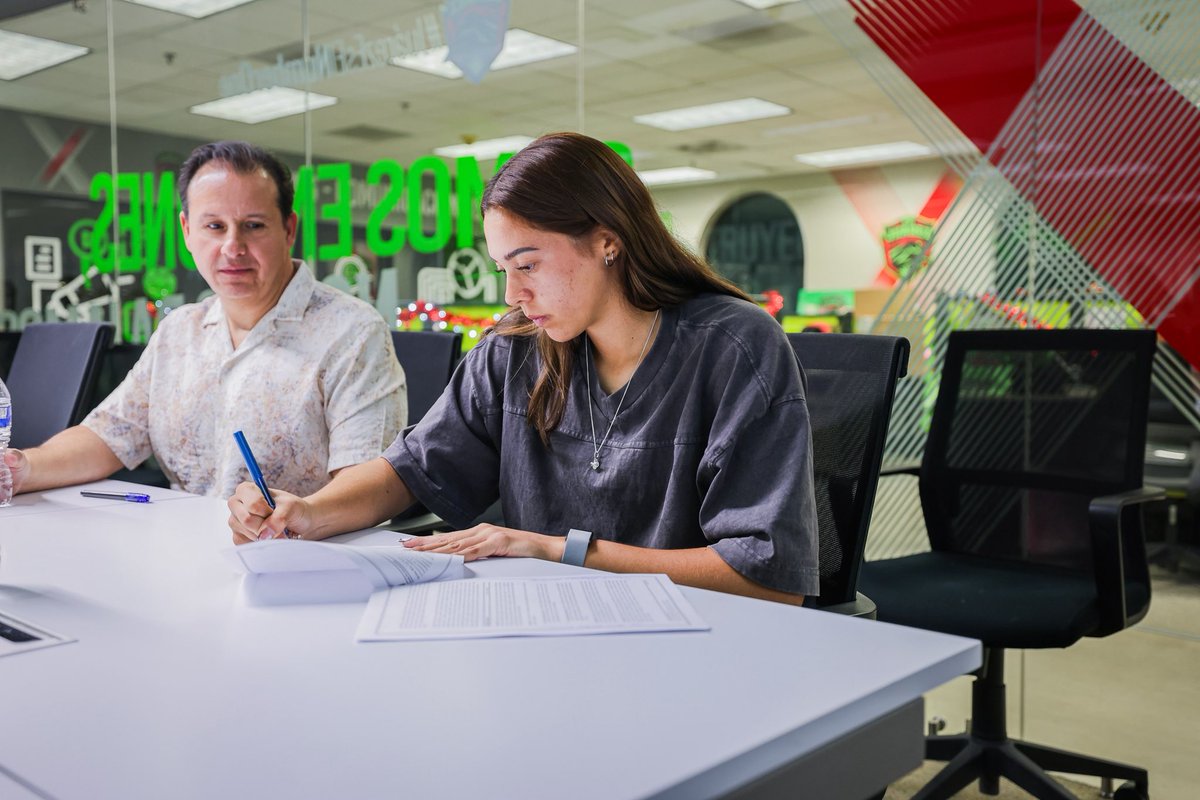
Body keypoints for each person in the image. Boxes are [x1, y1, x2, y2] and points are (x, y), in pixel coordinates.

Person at [228, 132, 818, 604]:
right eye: (502, 269)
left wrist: (556, 549)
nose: (512, 294)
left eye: (528, 265)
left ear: (607, 242)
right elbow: (410, 471)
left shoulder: (734, 348)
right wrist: (308, 511)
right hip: (544, 637)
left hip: (700, 651)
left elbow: (767, 581)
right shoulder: (515, 349)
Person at [3, 140, 406, 499]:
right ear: (187, 232)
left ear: (288, 229)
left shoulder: (352, 333)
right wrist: (19, 470)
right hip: (183, 552)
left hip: (302, 558)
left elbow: (372, 484)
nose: (233, 247)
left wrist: (304, 516)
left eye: (253, 225)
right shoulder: (180, 330)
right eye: (214, 226)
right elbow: (109, 436)